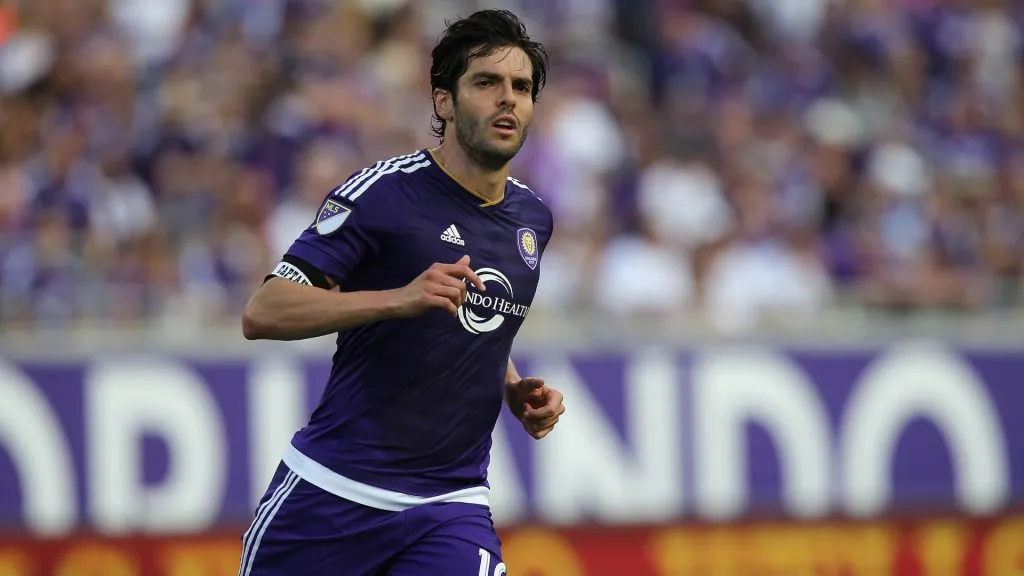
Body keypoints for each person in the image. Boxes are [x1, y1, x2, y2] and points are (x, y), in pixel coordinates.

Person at [236, 9, 565, 576]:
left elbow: (466, 318)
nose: (507, 99)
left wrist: (511, 386)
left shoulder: (532, 219)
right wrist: (396, 298)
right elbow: (263, 311)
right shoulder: (383, 194)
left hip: (451, 504)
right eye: (486, 83)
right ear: (444, 101)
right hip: (331, 497)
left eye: (521, 87)